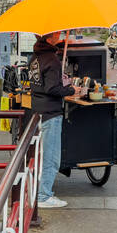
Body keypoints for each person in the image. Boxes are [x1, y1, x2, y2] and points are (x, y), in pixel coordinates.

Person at [28, 31, 87, 208]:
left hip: (37, 111)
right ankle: (44, 195)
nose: (60, 36)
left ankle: (36, 191)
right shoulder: (52, 60)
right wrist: (72, 90)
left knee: (40, 156)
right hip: (50, 113)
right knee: (51, 158)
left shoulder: (34, 58)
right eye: (57, 34)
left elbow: (40, 84)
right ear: (50, 38)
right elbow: (52, 89)